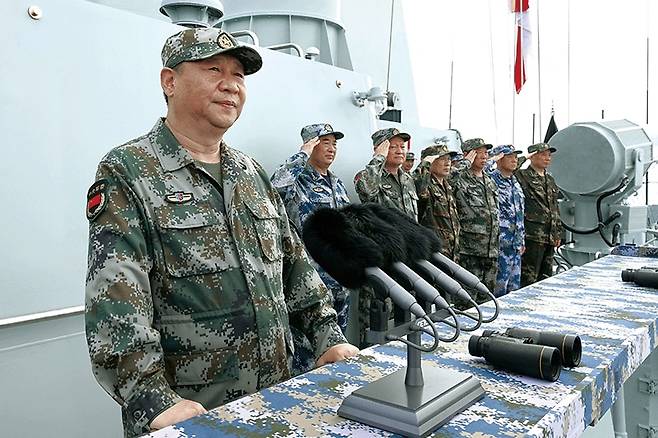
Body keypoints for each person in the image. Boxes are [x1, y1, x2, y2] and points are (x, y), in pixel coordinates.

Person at [84, 28, 357, 437]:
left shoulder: (251, 173)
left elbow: (295, 266)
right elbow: (116, 299)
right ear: (169, 81)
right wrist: (152, 400)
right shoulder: (128, 170)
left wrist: (327, 338)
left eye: (239, 75)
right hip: (194, 414)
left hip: (276, 402)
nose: (230, 84)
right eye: (213, 69)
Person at [270, 123, 352, 337]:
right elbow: (276, 188)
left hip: (340, 278)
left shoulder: (337, 184)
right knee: (308, 348)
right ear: (311, 144)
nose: (332, 148)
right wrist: (302, 154)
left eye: (334, 144)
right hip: (310, 281)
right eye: (325, 142)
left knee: (339, 345)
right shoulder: (297, 180)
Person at [451, 138, 499, 301]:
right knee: (466, 300)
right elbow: (448, 179)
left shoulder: (489, 180)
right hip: (469, 250)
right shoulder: (459, 178)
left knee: (487, 297)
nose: (484, 156)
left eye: (486, 153)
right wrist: (464, 163)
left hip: (491, 249)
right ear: (468, 155)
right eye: (479, 152)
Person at [515, 142, 563, 286]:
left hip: (549, 235)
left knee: (546, 277)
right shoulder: (522, 176)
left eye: (549, 155)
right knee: (529, 278)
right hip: (532, 236)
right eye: (543, 154)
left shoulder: (550, 179)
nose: (547, 158)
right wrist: (524, 157)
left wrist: (557, 232)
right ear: (533, 156)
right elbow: (509, 169)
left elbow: (554, 208)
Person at [354, 128, 418, 220]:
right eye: (393, 147)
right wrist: (379, 157)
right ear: (379, 150)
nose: (400, 151)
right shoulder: (365, 176)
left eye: (402, 147)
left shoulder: (408, 179)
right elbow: (367, 191)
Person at [487, 145, 525, 297]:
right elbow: (480, 170)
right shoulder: (491, 178)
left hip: (515, 244)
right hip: (500, 244)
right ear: (499, 159)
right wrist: (492, 159)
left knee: (514, 289)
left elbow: (519, 212)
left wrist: (522, 240)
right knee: (498, 289)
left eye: (516, 157)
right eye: (509, 157)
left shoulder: (515, 182)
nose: (514, 160)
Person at [413, 143, 460, 261]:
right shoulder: (426, 185)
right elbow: (418, 185)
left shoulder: (447, 186)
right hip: (434, 253)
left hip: (452, 252)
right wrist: (425, 163)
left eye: (449, 159)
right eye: (441, 159)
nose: (447, 163)